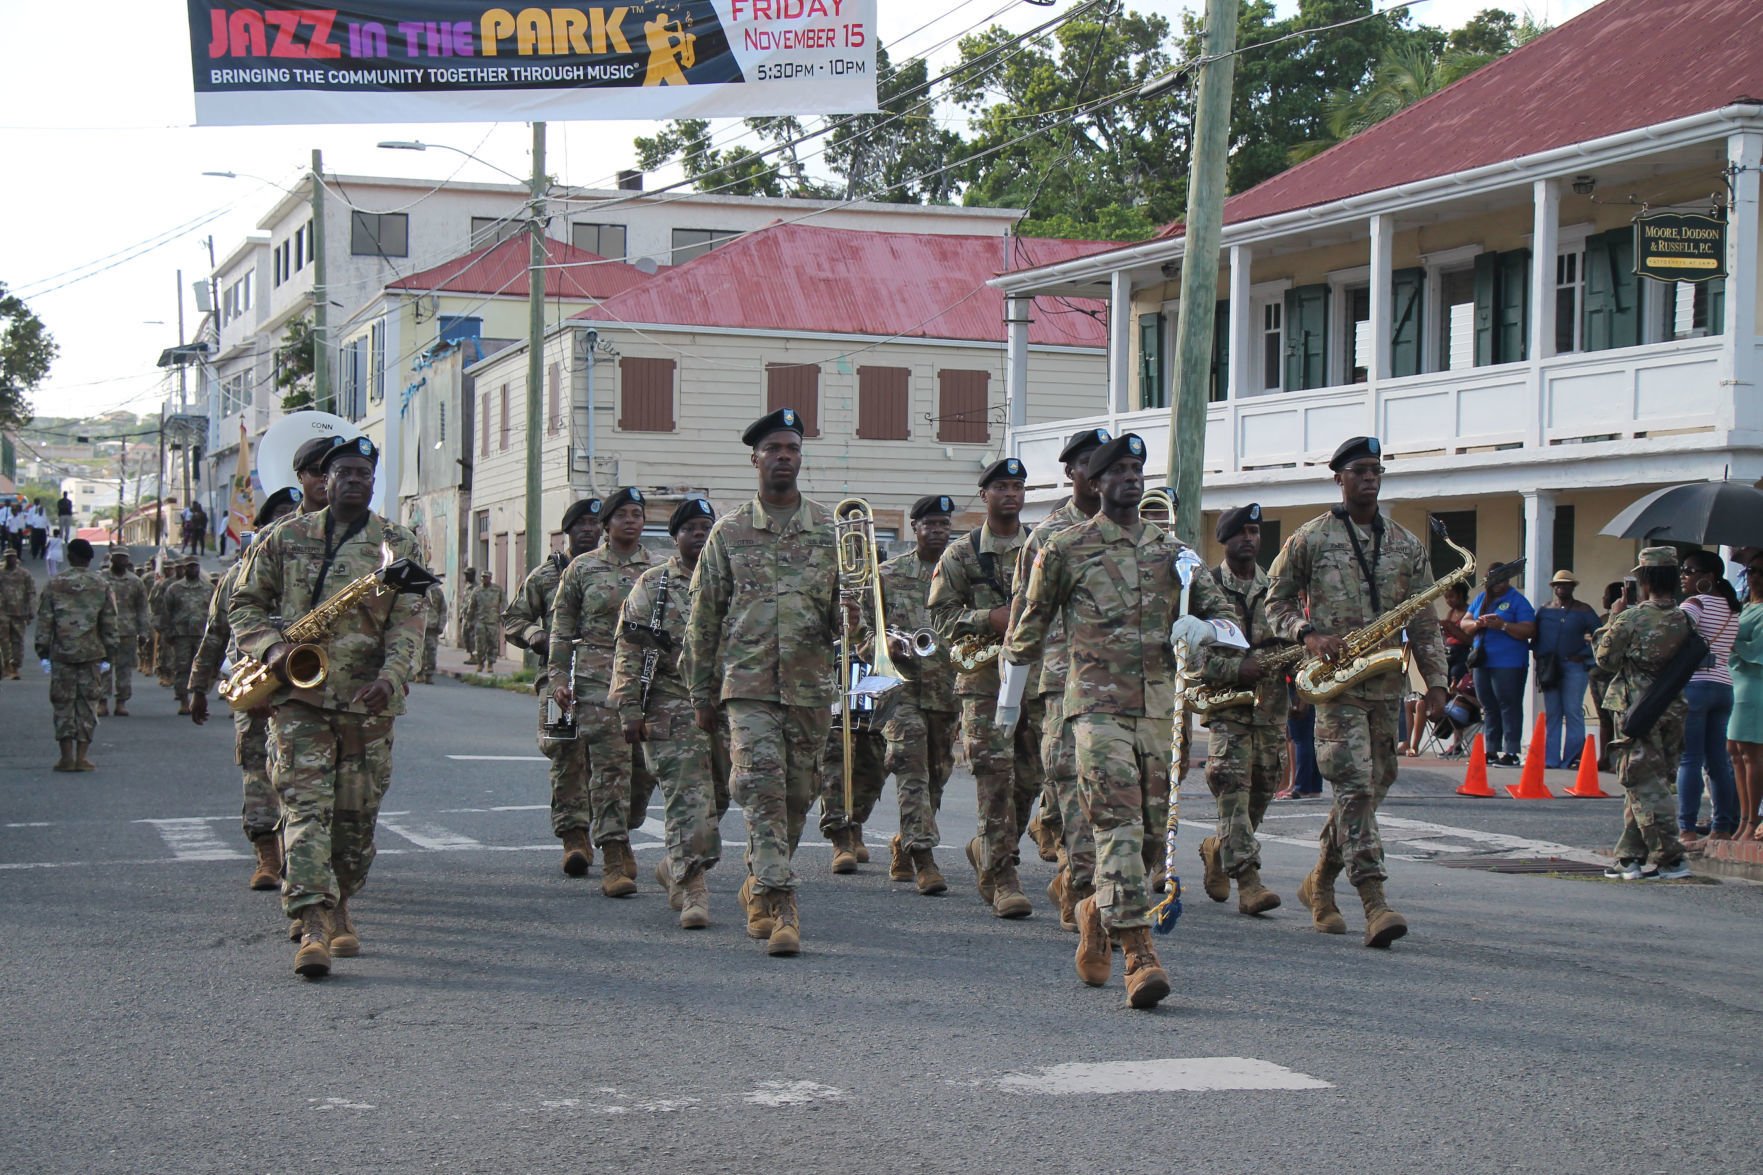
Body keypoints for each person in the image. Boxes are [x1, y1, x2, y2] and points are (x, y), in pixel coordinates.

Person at [1002, 433, 1231, 1008]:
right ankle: (1139, 953)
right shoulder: (1065, 548)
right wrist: (1007, 713)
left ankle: (1095, 914)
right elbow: (1026, 633)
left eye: (1137, 469)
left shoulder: (1173, 553)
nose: (1131, 477)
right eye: (1118, 470)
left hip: (1158, 712)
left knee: (1151, 836)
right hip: (1093, 710)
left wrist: (1205, 634)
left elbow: (1223, 617)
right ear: (1095, 482)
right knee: (1118, 828)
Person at [230, 436, 427, 978]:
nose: (355, 480)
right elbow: (243, 603)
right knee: (305, 810)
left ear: (373, 480)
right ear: (324, 478)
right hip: (300, 699)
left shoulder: (398, 542)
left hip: (369, 703)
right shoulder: (283, 537)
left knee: (356, 818)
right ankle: (314, 921)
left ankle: (342, 900)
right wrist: (272, 649)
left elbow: (411, 621)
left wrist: (392, 678)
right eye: (344, 471)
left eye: (364, 472)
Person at [1266, 436, 1449, 948]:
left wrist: (1435, 683)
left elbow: (1426, 620)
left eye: (1376, 471)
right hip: (1335, 687)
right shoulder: (1311, 538)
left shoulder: (1407, 544)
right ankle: (1374, 900)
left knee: (1373, 787)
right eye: (1360, 471)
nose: (1370, 479)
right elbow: (1273, 603)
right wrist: (1308, 634)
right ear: (1339, 479)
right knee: (1355, 789)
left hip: (1386, 685)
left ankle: (1319, 882)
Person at [683, 407, 840, 957]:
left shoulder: (830, 530)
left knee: (800, 793)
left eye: (791, 449)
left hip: (810, 686)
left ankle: (759, 878)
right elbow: (703, 619)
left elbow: (851, 611)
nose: (783, 457)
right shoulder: (728, 533)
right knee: (760, 788)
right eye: (773, 449)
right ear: (755, 459)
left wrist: (861, 624)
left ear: (801, 457)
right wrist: (701, 693)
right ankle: (779, 902)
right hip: (746, 686)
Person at [928, 455, 1043, 919]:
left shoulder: (1041, 547)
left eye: (1018, 486)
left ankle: (989, 847)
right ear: (985, 495)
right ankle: (1002, 876)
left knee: (1031, 778)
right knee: (994, 778)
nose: (1012, 494)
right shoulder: (961, 553)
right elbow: (938, 617)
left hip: (1036, 681)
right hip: (983, 683)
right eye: (1002, 487)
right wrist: (987, 618)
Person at [1005, 428, 1108, 929]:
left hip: (1123, 690)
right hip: (1062, 688)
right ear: (1071, 472)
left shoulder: (1139, 535)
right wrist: (1015, 698)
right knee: (1069, 787)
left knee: (1115, 795)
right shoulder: (1047, 537)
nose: (1099, 471)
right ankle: (1080, 883)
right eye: (1089, 461)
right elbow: (1026, 617)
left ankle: (1083, 878)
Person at [611, 496, 725, 928]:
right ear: (675, 537)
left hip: (724, 704)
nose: (699, 535)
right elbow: (630, 647)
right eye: (690, 528)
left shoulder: (730, 579)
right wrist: (627, 708)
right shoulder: (654, 584)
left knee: (723, 791)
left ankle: (674, 864)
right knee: (689, 797)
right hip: (670, 703)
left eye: (706, 527)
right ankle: (693, 887)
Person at [189, 487, 301, 891]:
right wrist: (198, 687)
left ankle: (302, 857)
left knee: (302, 776)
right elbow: (215, 634)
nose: (287, 519)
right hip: (252, 688)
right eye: (280, 514)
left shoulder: (311, 568)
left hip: (303, 688)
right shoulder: (240, 573)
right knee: (257, 774)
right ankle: (267, 854)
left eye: (295, 513)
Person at [548, 488, 658, 897]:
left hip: (646, 681)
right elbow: (561, 630)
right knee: (610, 766)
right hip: (597, 678)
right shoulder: (582, 569)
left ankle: (622, 830)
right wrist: (558, 677)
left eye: (638, 514)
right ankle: (613, 853)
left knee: (642, 772)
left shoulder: (659, 568)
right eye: (623, 515)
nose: (631, 521)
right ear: (606, 524)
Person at [1195, 502, 1293, 916]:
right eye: (1242, 533)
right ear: (1225, 540)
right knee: (1232, 791)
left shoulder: (1275, 589)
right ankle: (1249, 882)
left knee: (1261, 792)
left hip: (1271, 712)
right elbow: (1192, 656)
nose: (1250, 540)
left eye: (1255, 532)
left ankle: (1218, 847)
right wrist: (1238, 667)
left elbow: (1290, 642)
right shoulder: (1207, 589)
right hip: (1227, 711)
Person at [504, 498, 602, 876]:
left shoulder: (612, 571)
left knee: (607, 757)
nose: (590, 531)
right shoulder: (546, 576)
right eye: (582, 525)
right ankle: (574, 836)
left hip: (605, 678)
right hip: (559, 678)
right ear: (568, 532)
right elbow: (514, 617)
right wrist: (535, 635)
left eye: (596, 524)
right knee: (565, 752)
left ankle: (608, 831)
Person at [870, 494, 962, 896]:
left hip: (948, 689)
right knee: (910, 768)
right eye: (931, 525)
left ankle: (905, 841)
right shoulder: (888, 575)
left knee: (937, 776)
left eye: (945, 524)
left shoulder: (961, 574)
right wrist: (883, 646)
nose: (939, 531)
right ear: (915, 528)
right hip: (902, 688)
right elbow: (861, 635)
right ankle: (924, 856)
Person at [1595, 547, 1694, 881]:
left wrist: (1614, 616)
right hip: (1673, 707)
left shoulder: (1632, 618)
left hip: (1637, 707)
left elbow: (1605, 661)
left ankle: (1670, 857)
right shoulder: (1685, 618)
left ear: (1645, 579)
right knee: (1651, 781)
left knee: (1642, 782)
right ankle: (1629, 857)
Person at [1676, 549, 1741, 843]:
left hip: (1696, 685)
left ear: (1708, 578)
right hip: (1724, 687)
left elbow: (1673, 633)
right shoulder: (1732, 608)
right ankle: (1722, 827)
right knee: (1717, 762)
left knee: (1690, 759)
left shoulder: (1695, 604)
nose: (1683, 576)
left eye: (1689, 571)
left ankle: (1687, 828)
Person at [35, 537, 118, 771]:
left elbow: (45, 621)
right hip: (92, 654)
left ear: (70, 556)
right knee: (87, 704)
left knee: (63, 704)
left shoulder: (55, 584)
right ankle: (82, 757)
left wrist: (43, 651)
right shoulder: (101, 584)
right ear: (90, 559)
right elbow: (109, 622)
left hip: (62, 654)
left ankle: (66, 757)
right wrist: (109, 654)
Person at [1461, 563, 1536, 767]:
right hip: (1483, 661)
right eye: (1493, 580)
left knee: (1508, 705)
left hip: (1509, 662)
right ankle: (1491, 749)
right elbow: (1464, 623)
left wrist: (1502, 625)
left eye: (1501, 580)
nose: (1497, 584)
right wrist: (1479, 624)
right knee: (1489, 706)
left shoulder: (1517, 601)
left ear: (1508, 580)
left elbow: (1529, 629)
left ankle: (1511, 751)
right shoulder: (1481, 599)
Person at [1534, 570, 1601, 769]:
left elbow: (1601, 637)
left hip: (1574, 666)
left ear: (1573, 587)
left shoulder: (1584, 610)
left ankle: (1571, 758)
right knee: (1553, 713)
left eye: (1565, 584)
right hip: (1549, 668)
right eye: (1558, 584)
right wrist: (1539, 656)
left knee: (1573, 711)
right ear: (1553, 587)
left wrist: (1585, 653)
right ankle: (1551, 759)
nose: (1561, 588)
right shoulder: (1544, 610)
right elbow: (1535, 636)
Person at [1728, 557, 1763, 840]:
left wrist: (1731, 641)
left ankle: (1753, 820)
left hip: (1754, 683)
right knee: (1735, 753)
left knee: (1751, 754)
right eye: (1751, 571)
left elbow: (1757, 649)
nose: (1755, 577)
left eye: (1761, 572)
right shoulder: (1745, 606)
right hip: (1734, 680)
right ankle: (1742, 818)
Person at [159, 556, 215, 716]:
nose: (192, 570)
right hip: (181, 635)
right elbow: (166, 612)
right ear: (184, 569)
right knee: (182, 668)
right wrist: (166, 632)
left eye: (195, 567)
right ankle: (183, 700)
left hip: (202, 635)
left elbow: (215, 612)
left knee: (202, 668)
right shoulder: (174, 589)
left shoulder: (208, 588)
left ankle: (199, 698)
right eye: (189, 567)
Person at [99, 548, 149, 716]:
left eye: (124, 558)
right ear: (111, 559)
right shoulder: (101, 579)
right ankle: (102, 701)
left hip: (127, 631)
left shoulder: (135, 581)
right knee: (103, 668)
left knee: (124, 669)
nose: (121, 561)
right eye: (118, 557)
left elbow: (142, 608)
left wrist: (143, 632)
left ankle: (121, 702)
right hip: (104, 630)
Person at [1591, 581, 1624, 772]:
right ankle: (1604, 756)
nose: (1603, 598)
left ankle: (1613, 757)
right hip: (1599, 676)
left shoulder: (1614, 619)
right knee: (1605, 719)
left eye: (1606, 595)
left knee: (1614, 718)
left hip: (1611, 676)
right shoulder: (1603, 618)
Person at [0, 548, 36, 679]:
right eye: (8, 557)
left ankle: (15, 666)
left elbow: (31, 592)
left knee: (17, 640)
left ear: (16, 558)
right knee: (3, 640)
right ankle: (6, 665)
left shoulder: (24, 574)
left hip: (19, 612)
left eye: (12, 557)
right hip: (2, 611)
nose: (10, 559)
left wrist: (31, 609)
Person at [469, 571, 505, 670]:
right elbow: (471, 606)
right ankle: (480, 662)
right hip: (480, 621)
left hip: (493, 620)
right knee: (480, 643)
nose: (484, 579)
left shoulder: (497, 590)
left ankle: (490, 663)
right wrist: (469, 620)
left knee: (492, 643)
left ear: (490, 578)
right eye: (482, 577)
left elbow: (503, 604)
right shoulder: (477, 590)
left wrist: (503, 618)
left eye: (486, 577)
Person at [419, 577, 446, 683]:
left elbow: (443, 610)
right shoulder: (418, 590)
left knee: (431, 651)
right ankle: (418, 673)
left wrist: (441, 625)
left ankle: (429, 674)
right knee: (418, 651)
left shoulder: (438, 593)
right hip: (419, 625)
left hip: (432, 626)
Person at [458, 567, 478, 662]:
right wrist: (461, 614)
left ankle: (475, 656)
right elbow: (464, 602)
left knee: (473, 637)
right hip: (465, 616)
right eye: (465, 575)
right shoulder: (467, 587)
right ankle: (471, 654)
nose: (466, 577)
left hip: (474, 617)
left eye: (467, 575)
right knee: (465, 635)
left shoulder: (477, 588)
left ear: (472, 575)